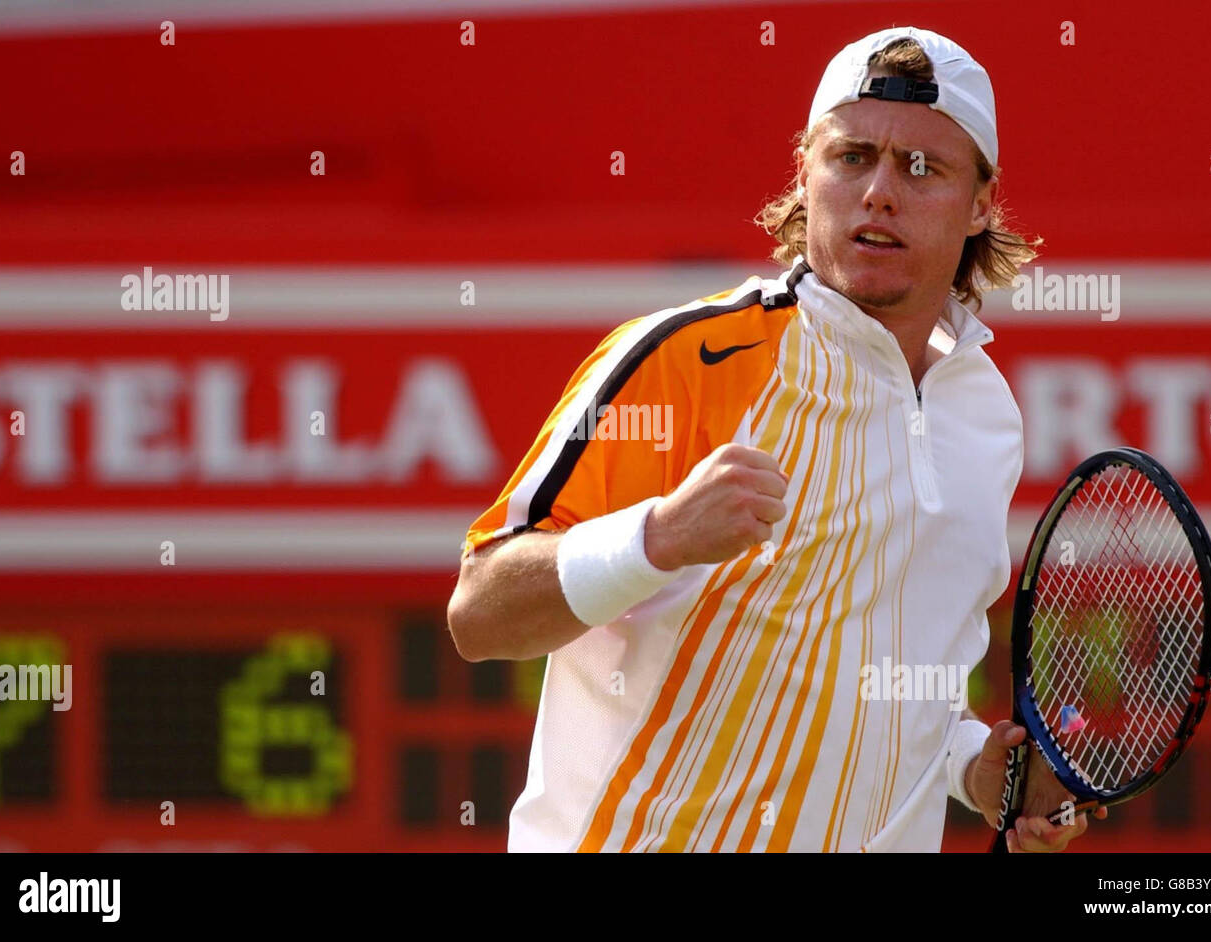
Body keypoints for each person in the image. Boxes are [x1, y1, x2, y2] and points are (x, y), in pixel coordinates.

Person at [447, 25, 1105, 852]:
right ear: (805, 172)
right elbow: (480, 614)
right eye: (852, 156)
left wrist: (976, 768)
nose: (878, 193)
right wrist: (657, 538)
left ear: (981, 204)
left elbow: (899, 690)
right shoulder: (687, 356)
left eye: (921, 168)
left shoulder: (986, 416)